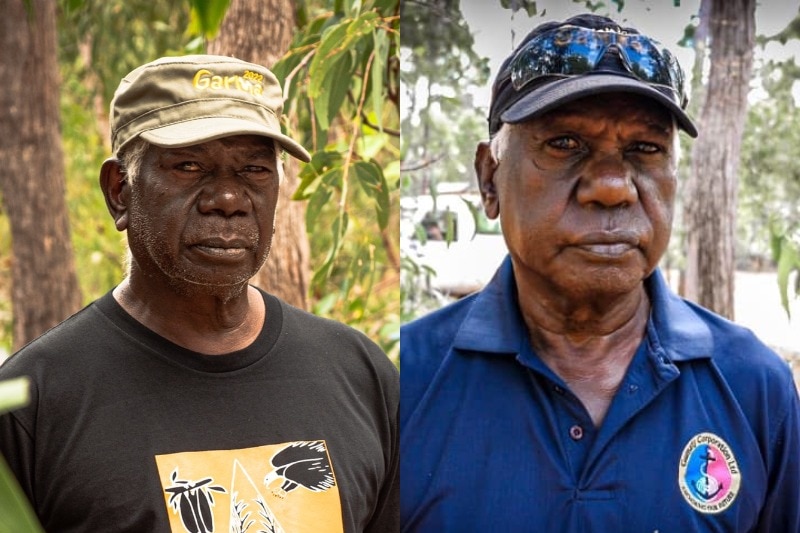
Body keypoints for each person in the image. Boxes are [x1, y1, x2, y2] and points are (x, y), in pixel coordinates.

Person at [400, 13, 800, 532]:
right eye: (565, 143)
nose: (612, 185)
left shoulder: (754, 387)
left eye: (646, 149)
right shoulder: (405, 380)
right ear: (489, 179)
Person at [0, 54, 398, 533]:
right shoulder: (35, 403)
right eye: (189, 166)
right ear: (119, 192)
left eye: (254, 169)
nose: (227, 200)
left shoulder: (359, 373)